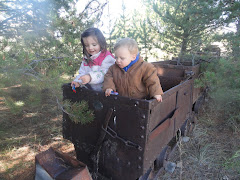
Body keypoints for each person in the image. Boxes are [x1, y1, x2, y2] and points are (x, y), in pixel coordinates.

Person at [103, 38, 163, 102]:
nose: (118, 61)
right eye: (116, 57)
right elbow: (108, 77)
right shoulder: (113, 68)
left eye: (122, 58)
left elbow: (152, 80)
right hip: (122, 100)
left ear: (133, 57)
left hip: (141, 100)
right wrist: (109, 87)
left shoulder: (145, 67)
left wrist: (156, 93)